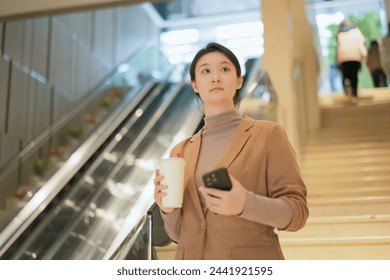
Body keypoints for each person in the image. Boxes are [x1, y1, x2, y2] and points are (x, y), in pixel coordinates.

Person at [153, 42, 308, 260]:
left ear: (239, 81)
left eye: (224, 69)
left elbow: (297, 213)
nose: (215, 77)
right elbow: (179, 234)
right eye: (206, 71)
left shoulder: (267, 135)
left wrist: (246, 204)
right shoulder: (181, 151)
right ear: (195, 85)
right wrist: (167, 210)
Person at [336, 19, 367, 102]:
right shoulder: (356, 31)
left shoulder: (340, 34)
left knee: (346, 74)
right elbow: (362, 42)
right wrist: (364, 54)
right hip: (355, 56)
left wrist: (338, 61)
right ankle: (354, 95)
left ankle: (346, 83)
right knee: (354, 76)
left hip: (344, 57)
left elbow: (339, 48)